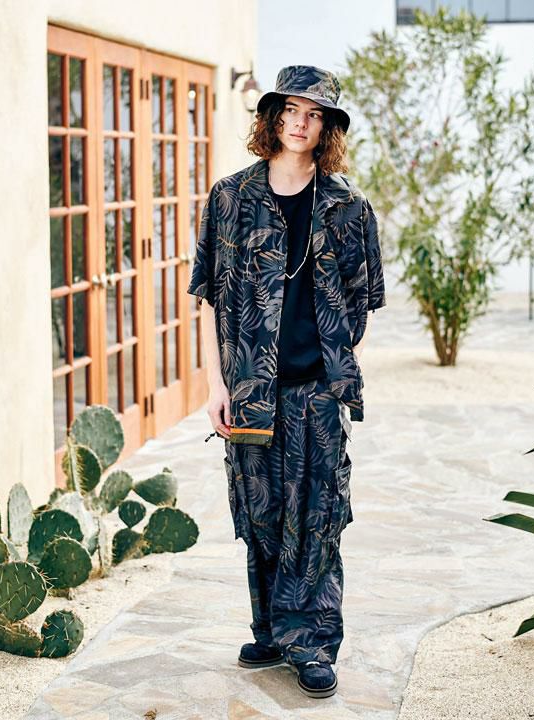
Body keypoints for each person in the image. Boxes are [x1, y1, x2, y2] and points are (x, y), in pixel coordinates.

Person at [187, 64, 386, 699]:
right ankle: (272, 631)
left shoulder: (349, 208)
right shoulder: (229, 198)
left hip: (316, 393)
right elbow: (209, 299)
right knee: (262, 514)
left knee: (318, 516)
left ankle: (315, 644)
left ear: (326, 128)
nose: (300, 123)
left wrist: (336, 369)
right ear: (273, 118)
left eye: (314, 114)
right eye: (291, 110)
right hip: (249, 390)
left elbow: (363, 301)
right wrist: (215, 385)